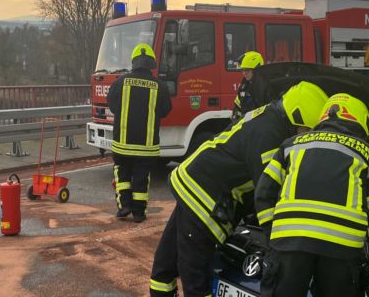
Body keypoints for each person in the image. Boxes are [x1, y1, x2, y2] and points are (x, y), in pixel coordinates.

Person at [149, 82, 328, 297]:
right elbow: (268, 191)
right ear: (298, 117)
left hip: (195, 181)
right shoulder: (270, 135)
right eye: (307, 130)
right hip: (204, 196)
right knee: (195, 273)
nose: (307, 136)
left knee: (167, 259)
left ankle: (160, 291)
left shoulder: (269, 115)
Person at [255, 93, 369, 297]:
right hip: (341, 249)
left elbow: (263, 193)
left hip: (289, 243)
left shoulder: (290, 145)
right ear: (362, 121)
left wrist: (274, 235)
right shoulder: (367, 154)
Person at [107, 43, 172, 223]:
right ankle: (139, 213)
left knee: (122, 174)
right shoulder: (160, 86)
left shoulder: (120, 82)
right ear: (151, 63)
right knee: (141, 178)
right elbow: (166, 110)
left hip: (123, 143)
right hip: (147, 145)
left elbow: (112, 106)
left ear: (134, 62)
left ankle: (124, 206)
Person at [232, 51, 264, 121]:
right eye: (243, 70)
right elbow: (238, 106)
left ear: (256, 69)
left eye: (247, 70)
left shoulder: (266, 86)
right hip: (247, 126)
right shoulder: (243, 87)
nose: (244, 73)